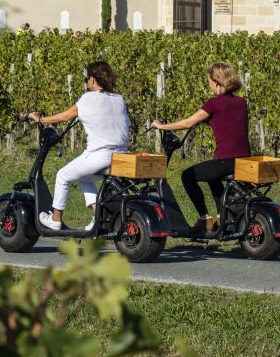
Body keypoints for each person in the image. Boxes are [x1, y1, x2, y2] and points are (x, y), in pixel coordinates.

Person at [28, 60, 129, 231]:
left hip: (99, 155)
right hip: (120, 155)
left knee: (62, 176)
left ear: (92, 79)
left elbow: (65, 117)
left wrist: (40, 119)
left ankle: (55, 218)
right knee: (83, 179)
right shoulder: (118, 99)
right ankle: (98, 215)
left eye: (86, 79)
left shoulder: (88, 98)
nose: (86, 82)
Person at [150, 62, 249, 234]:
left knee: (187, 175)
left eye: (210, 81)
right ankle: (222, 218)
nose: (209, 85)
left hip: (226, 161)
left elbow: (188, 122)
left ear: (217, 82)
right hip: (244, 159)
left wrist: (162, 127)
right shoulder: (241, 103)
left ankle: (204, 220)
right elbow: (228, 120)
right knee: (212, 176)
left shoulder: (213, 103)